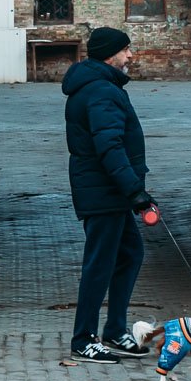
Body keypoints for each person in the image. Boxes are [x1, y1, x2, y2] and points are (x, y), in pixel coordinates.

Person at [62, 26, 156, 363]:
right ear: (109, 54)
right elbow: (109, 146)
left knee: (129, 255)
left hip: (108, 192)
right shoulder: (102, 91)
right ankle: (83, 338)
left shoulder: (100, 87)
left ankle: (115, 330)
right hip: (104, 193)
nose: (130, 56)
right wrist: (136, 191)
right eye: (126, 50)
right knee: (99, 264)